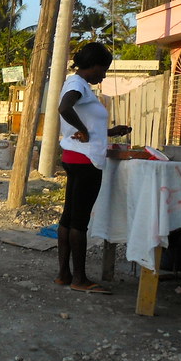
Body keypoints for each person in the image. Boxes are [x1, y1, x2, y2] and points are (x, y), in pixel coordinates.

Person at [56, 42, 132, 295]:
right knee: (79, 221)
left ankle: (64, 274)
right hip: (85, 161)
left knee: (69, 217)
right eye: (103, 69)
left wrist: (109, 132)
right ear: (93, 65)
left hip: (75, 156)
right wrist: (83, 130)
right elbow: (65, 109)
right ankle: (79, 278)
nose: (104, 74)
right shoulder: (77, 85)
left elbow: (77, 116)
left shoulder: (78, 85)